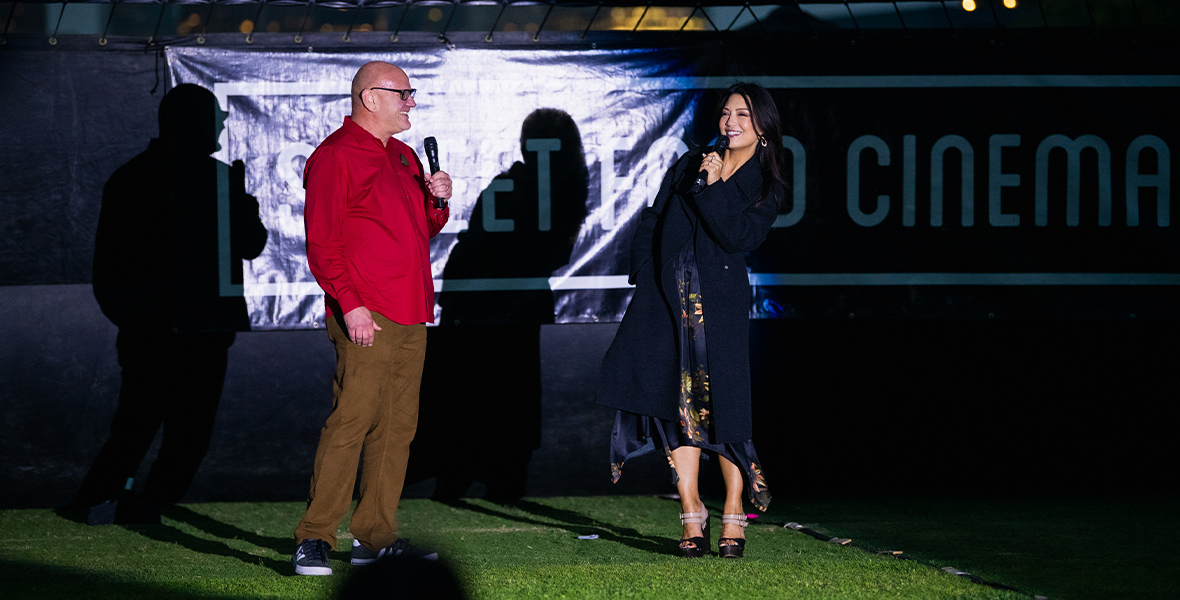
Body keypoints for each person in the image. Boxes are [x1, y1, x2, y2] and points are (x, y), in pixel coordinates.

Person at [597, 82, 784, 559]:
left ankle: (734, 511)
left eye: (743, 115)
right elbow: (655, 218)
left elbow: (737, 236)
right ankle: (690, 509)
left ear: (762, 126)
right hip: (666, 300)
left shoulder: (767, 182)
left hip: (716, 305)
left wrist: (717, 185)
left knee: (724, 409)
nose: (731, 122)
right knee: (673, 404)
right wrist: (645, 271)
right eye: (726, 113)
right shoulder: (691, 163)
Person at [71, 84, 267, 523]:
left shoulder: (133, 177)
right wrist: (242, 201)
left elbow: (110, 265)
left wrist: (135, 318)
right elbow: (252, 244)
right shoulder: (214, 179)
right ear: (196, 124)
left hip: (163, 329)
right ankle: (136, 504)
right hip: (195, 331)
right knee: (181, 435)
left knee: (138, 426)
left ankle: (104, 503)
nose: (223, 123)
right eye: (214, 116)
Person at [292, 61, 452, 576]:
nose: (412, 102)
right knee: (352, 421)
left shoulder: (403, 156)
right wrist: (351, 304)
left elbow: (420, 231)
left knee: (397, 428)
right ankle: (315, 537)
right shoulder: (336, 157)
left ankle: (375, 536)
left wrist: (438, 202)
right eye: (403, 93)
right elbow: (323, 242)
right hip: (367, 311)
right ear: (370, 98)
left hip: (410, 311)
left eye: (411, 93)